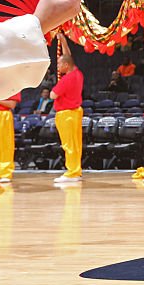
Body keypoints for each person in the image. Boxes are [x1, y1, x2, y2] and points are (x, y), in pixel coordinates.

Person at [51, 31, 84, 184]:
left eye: (58, 64)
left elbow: (52, 95)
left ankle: (72, 172)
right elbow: (68, 56)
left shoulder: (66, 80)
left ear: (65, 65)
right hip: (75, 112)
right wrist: (63, 41)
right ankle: (75, 170)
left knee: (69, 144)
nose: (57, 66)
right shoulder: (77, 73)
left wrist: (55, 88)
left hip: (66, 114)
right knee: (75, 143)